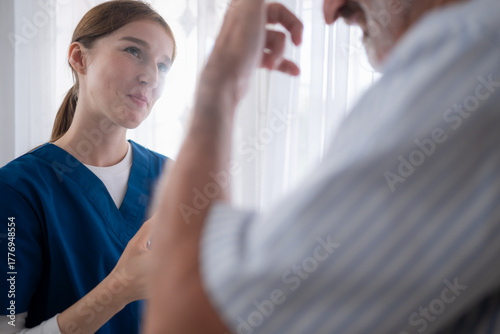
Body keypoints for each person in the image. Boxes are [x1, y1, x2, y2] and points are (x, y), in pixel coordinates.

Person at [144, 0, 500, 333]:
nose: (331, 11)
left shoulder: (474, 47)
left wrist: (222, 72)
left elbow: (186, 318)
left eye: (162, 64)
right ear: (83, 60)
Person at [0, 1, 175, 333]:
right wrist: (118, 290)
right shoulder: (17, 190)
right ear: (80, 58)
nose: (151, 76)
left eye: (163, 66)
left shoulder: (174, 180)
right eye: (134, 51)